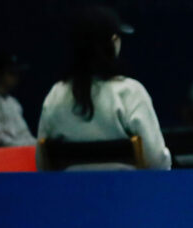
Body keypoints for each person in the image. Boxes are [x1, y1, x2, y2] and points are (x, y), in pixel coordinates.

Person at [37, 6, 170, 170]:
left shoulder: (55, 95)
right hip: (127, 187)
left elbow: (42, 165)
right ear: (113, 43)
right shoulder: (130, 93)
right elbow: (157, 162)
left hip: (70, 187)